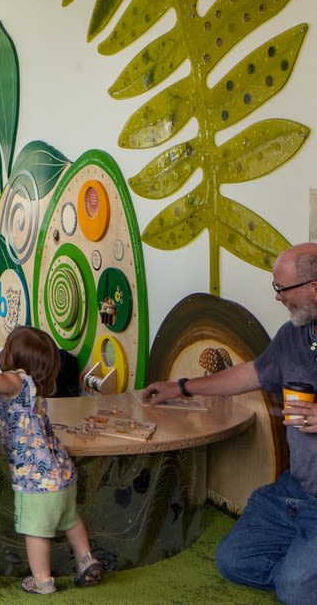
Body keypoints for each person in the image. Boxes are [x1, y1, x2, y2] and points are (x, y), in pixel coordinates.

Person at [140, 242, 317, 602]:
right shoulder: (292, 337)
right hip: (294, 493)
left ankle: (298, 573)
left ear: (314, 286)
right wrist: (182, 387)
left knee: (294, 589)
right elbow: (248, 375)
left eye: (282, 289)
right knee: (233, 562)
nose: (278, 298)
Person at [0, 326, 104, 594]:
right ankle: (86, 559)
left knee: (35, 530)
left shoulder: (16, 380)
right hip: (62, 472)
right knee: (70, 519)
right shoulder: (34, 387)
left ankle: (42, 580)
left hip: (36, 478)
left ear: (12, 358)